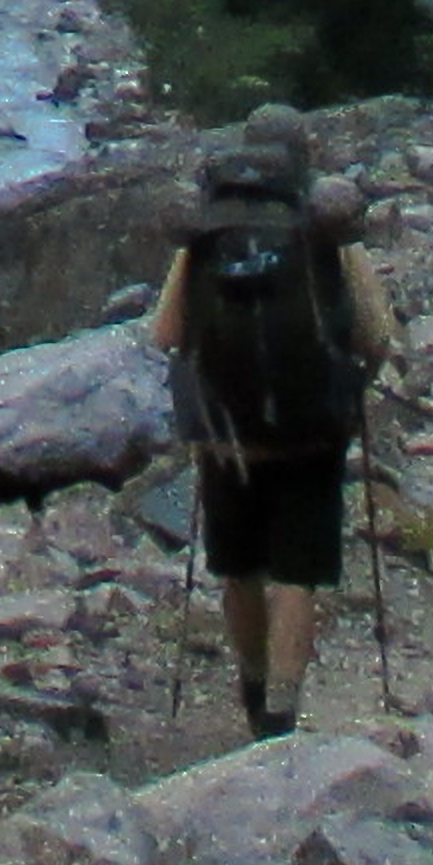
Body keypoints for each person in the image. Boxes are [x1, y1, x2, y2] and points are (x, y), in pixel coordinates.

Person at [147, 127, 394, 739]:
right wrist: (356, 383)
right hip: (311, 431)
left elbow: (166, 335)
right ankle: (283, 705)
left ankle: (252, 685)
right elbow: (376, 336)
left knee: (240, 568)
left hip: (226, 434)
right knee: (296, 571)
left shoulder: (205, 237)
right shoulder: (325, 230)